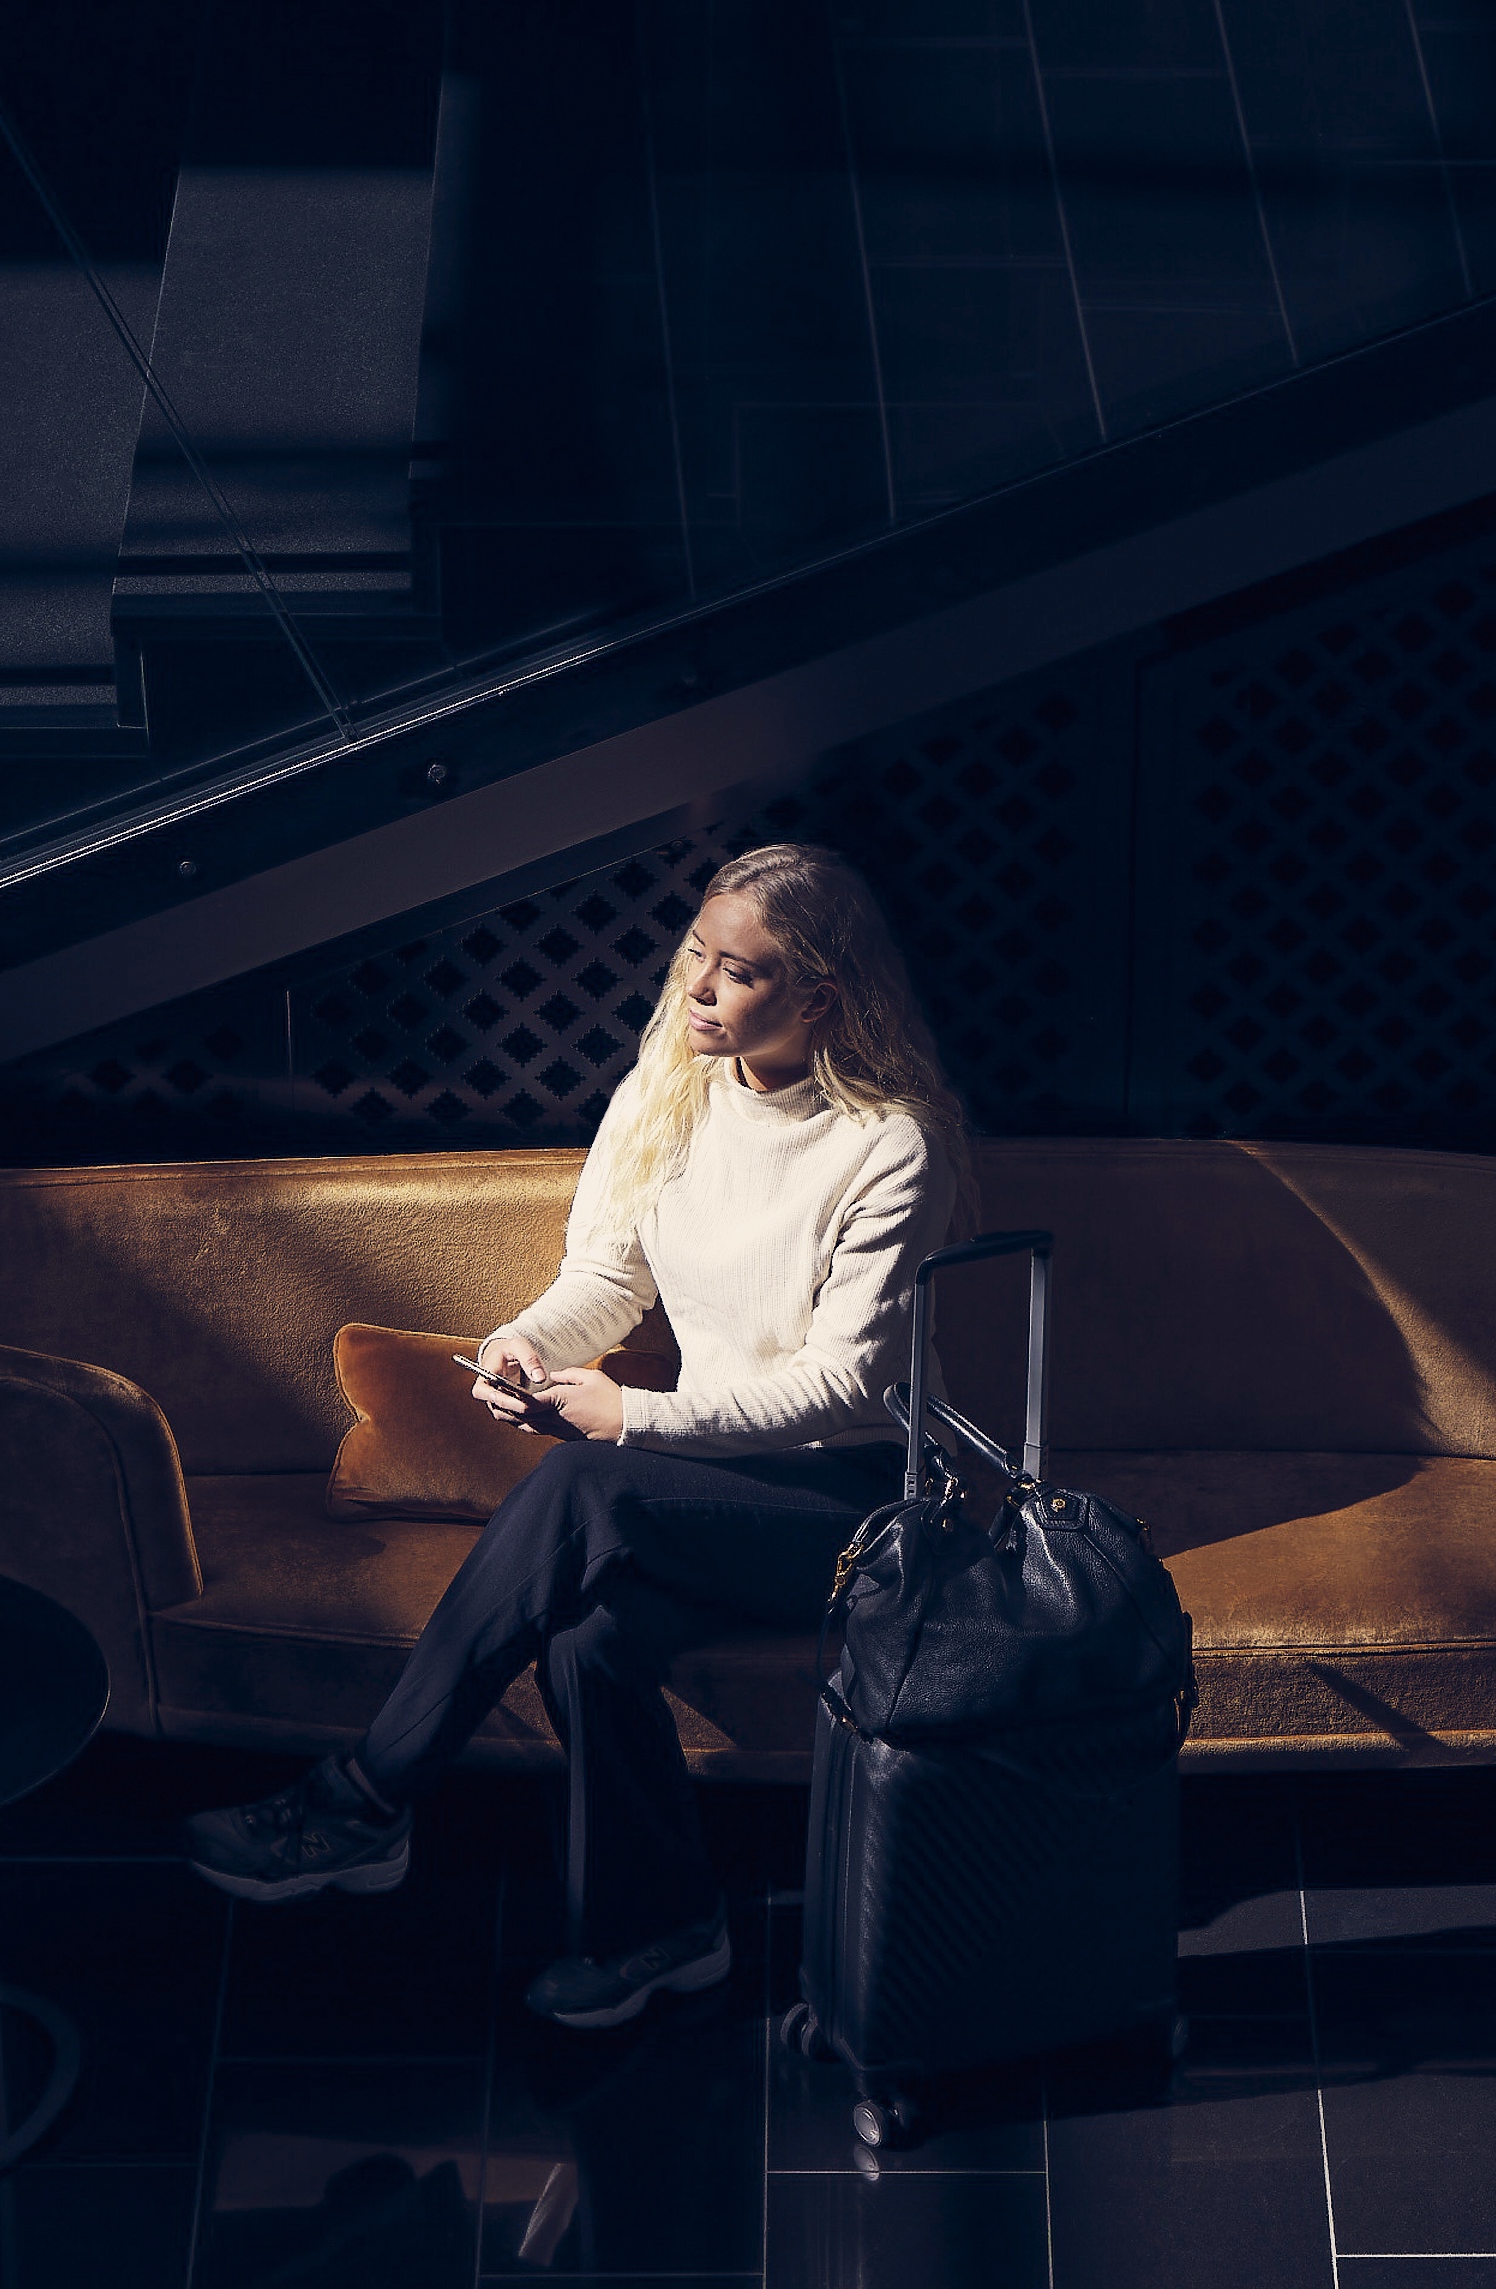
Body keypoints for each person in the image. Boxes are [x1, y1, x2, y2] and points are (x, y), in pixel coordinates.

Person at [183, 843, 968, 2028]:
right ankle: (661, 1934)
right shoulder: (669, 1088)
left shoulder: (892, 1145)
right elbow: (605, 1278)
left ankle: (369, 1796)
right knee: (591, 1642)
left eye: (737, 972)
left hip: (863, 1505)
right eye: (697, 953)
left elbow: (849, 1386)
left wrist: (629, 1414)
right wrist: (525, 1347)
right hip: (715, 1487)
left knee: (585, 1490)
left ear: (820, 999)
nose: (698, 987)